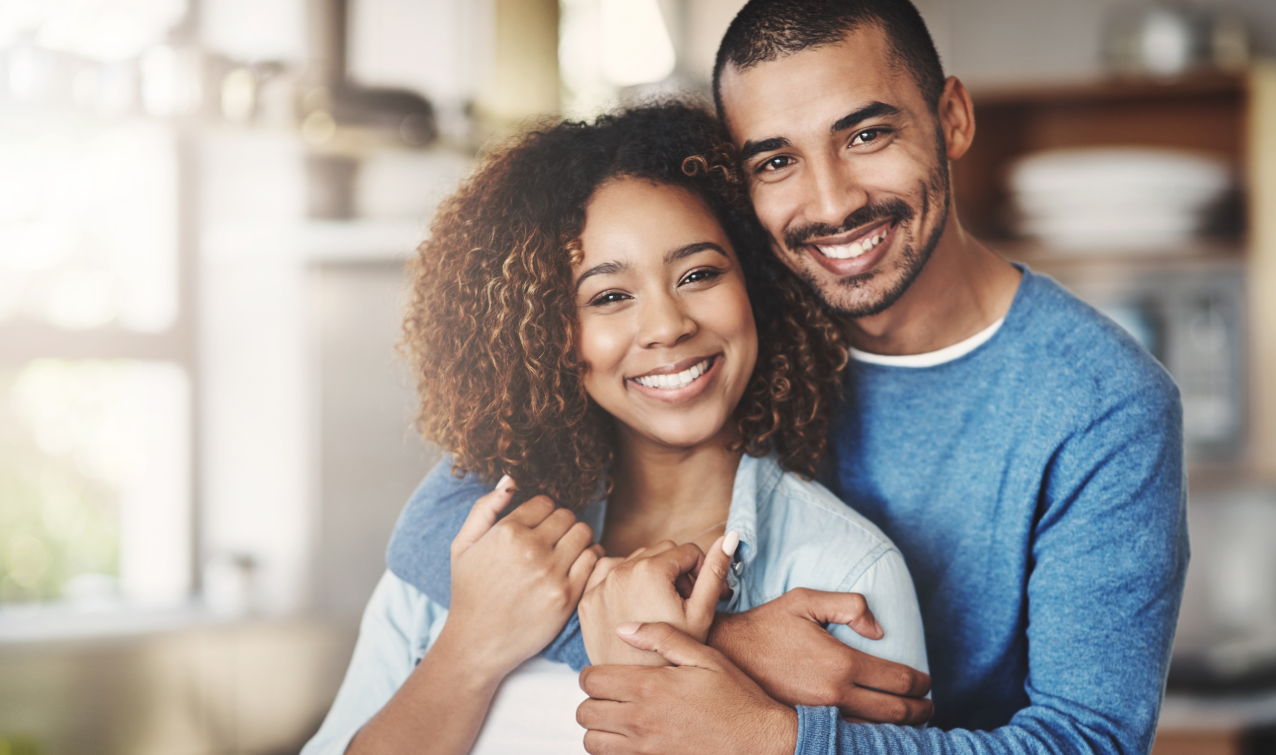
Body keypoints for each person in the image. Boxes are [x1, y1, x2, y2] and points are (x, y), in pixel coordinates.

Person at [385, 1, 1190, 754]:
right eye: (776, 160)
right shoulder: (744, 331)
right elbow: (439, 529)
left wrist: (777, 736)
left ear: (952, 119)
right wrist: (711, 638)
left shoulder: (1099, 403)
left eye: (867, 136)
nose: (832, 202)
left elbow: (1092, 741)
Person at [301, 102, 930, 755]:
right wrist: (468, 648)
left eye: (699, 274)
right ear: (549, 333)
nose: (666, 325)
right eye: (608, 296)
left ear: (759, 287)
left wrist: (663, 663)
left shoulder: (845, 575)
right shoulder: (480, 544)